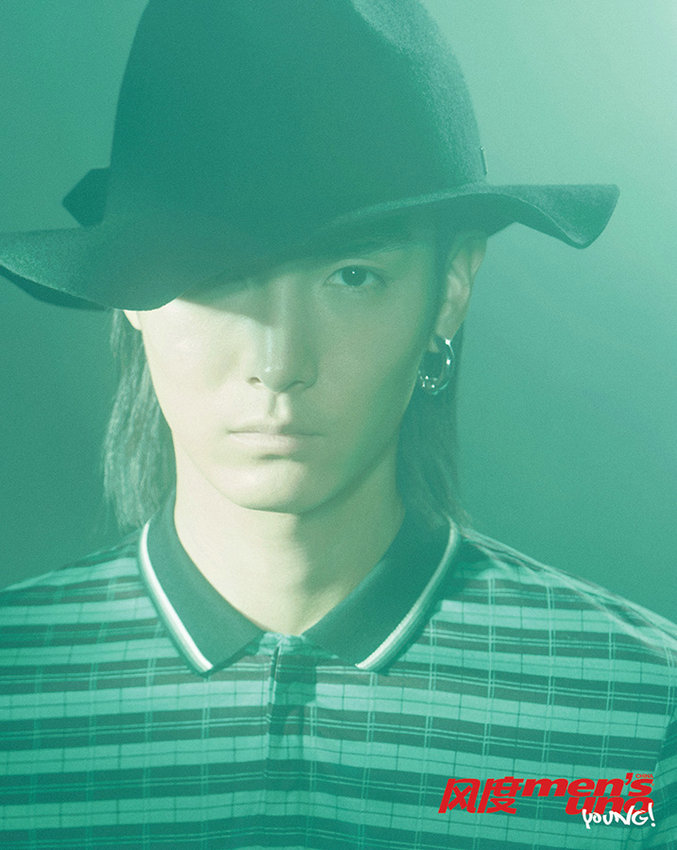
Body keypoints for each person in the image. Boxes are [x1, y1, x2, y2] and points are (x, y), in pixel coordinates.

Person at [0, 2, 674, 848]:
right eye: (213, 275)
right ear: (129, 290)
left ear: (450, 291)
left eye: (352, 277)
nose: (279, 361)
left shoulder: (638, 718)